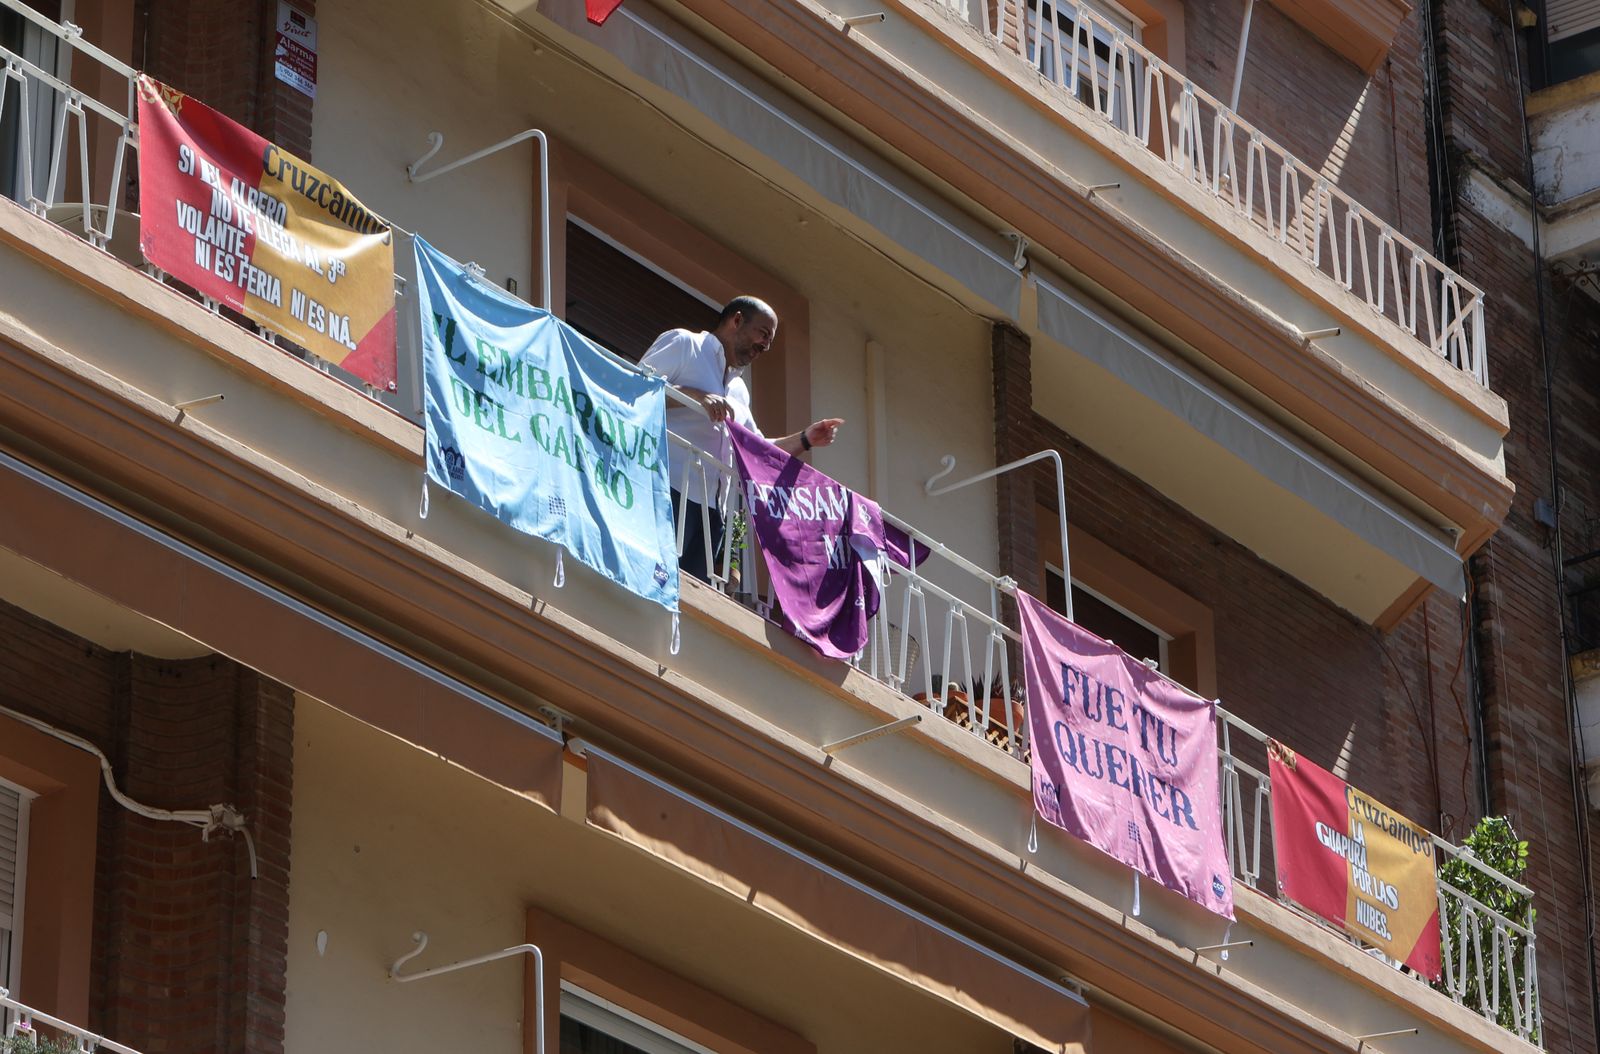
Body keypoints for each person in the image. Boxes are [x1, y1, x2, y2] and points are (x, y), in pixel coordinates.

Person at [640, 295, 844, 582]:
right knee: (649, 581)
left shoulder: (738, 390)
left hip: (712, 514)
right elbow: (635, 390)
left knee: (686, 597)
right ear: (736, 320)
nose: (766, 346)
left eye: (770, 340)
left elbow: (756, 450)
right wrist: (695, 396)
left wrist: (805, 439)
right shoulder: (686, 344)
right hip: (667, 489)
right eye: (763, 333)